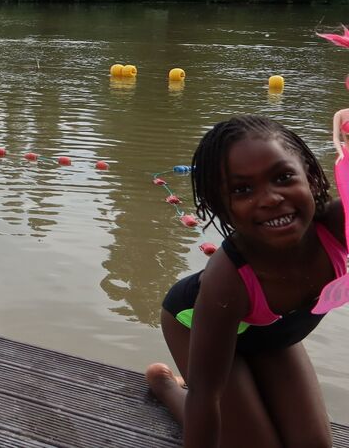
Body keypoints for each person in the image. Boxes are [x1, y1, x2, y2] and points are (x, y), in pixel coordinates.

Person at [145, 115, 346, 447]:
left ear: (310, 176)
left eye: (283, 177)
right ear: (221, 206)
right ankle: (165, 385)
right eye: (242, 189)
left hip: (273, 332)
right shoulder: (228, 280)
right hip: (195, 322)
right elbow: (206, 398)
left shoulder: (340, 225)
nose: (269, 198)